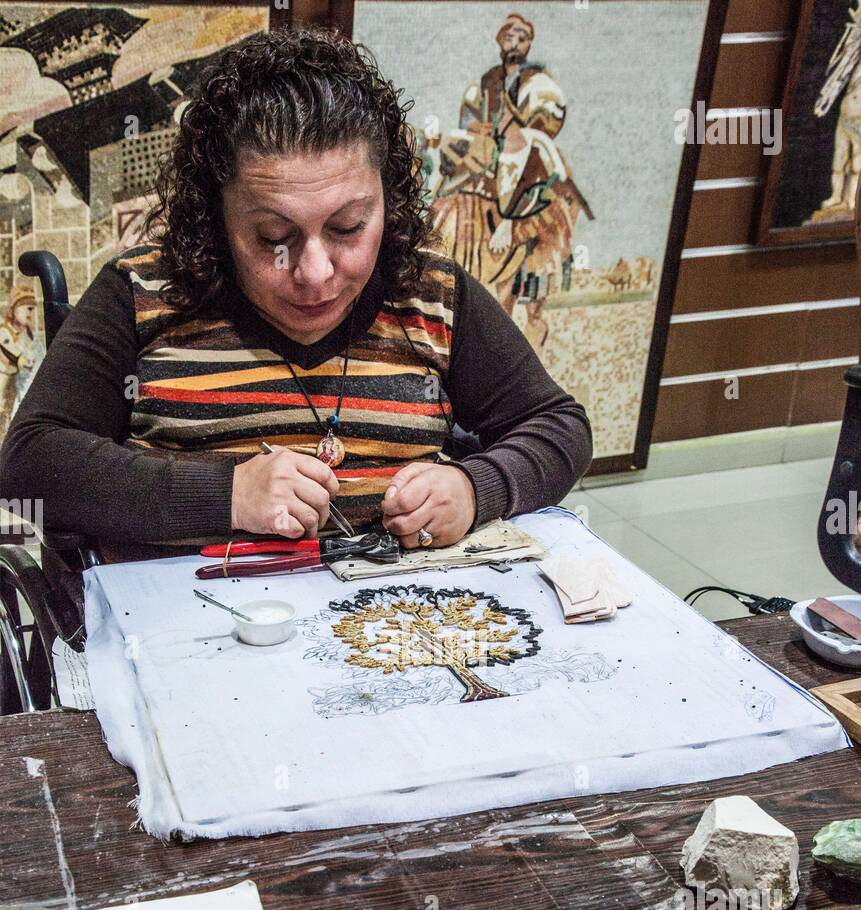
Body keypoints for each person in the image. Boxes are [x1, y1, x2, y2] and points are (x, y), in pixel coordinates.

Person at [0, 26, 592, 559]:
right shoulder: (144, 293)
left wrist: (475, 488)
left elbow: (559, 426)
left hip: (383, 635)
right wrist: (228, 494)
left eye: (348, 228)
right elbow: (30, 465)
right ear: (215, 216)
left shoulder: (429, 294)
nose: (314, 273)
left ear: (389, 201)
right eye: (273, 235)